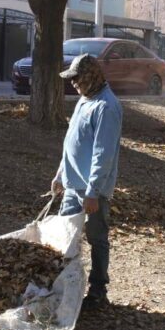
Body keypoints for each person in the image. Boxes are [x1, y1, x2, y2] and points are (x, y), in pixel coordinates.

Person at [50, 53, 123, 311]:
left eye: (77, 78)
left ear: (91, 76)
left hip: (92, 190)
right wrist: (61, 174)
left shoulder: (107, 107)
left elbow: (103, 155)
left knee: (96, 238)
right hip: (72, 185)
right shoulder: (85, 99)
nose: (73, 83)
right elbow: (72, 143)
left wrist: (93, 192)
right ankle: (63, 287)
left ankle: (98, 290)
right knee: (65, 236)